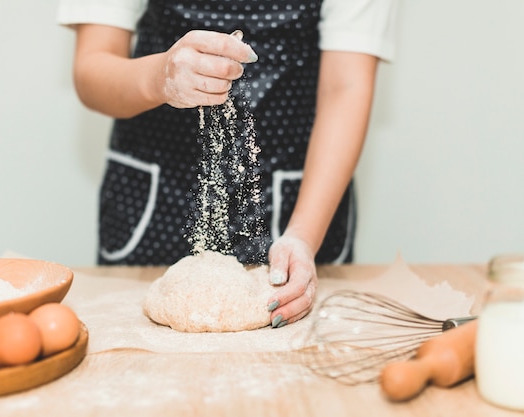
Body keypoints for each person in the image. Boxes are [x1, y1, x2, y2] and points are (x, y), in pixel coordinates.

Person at [57, 0, 398, 328]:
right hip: (155, 202)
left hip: (297, 203)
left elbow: (346, 86)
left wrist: (303, 236)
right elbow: (92, 69)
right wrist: (161, 76)